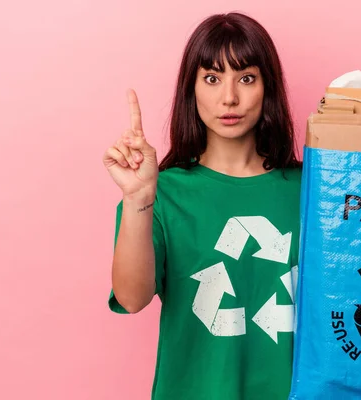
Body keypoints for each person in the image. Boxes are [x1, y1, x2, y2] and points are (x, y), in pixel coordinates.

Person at [102, 12, 302, 400]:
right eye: (212, 78)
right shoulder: (161, 192)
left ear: (268, 87)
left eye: (246, 78)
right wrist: (138, 199)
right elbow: (131, 298)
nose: (229, 97)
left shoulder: (312, 189)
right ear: (191, 89)